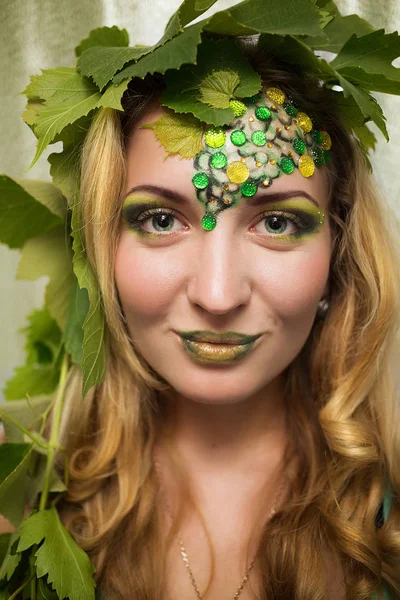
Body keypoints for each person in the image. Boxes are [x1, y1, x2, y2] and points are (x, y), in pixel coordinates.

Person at [1, 2, 400, 599]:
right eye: (161, 219)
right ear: (100, 244)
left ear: (340, 251)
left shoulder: (388, 507)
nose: (218, 296)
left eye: (280, 224)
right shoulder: (22, 488)